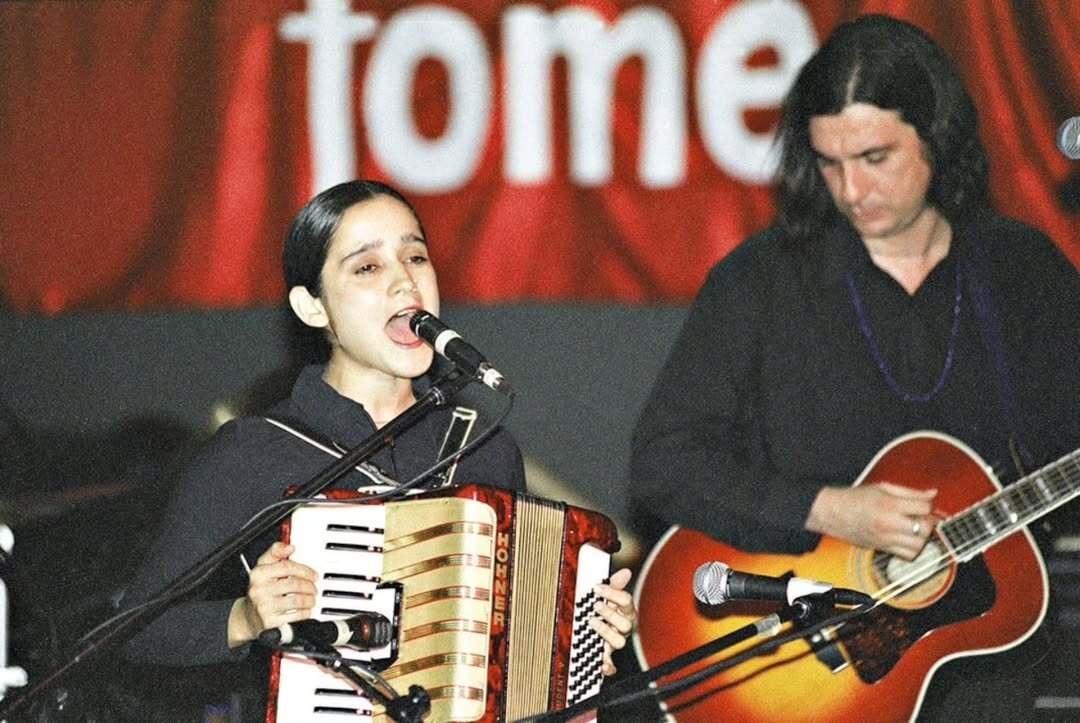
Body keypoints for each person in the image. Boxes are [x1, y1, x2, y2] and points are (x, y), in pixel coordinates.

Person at [630, 14, 1079, 721]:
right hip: (810, 668)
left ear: (937, 138)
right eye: (829, 163)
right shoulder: (761, 281)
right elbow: (664, 462)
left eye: (875, 158)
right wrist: (831, 509)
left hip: (984, 656)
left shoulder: (1022, 271)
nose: (851, 189)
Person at [122, 180, 636, 719]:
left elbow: (503, 659)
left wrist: (574, 644)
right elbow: (139, 631)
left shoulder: (482, 449)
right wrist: (246, 619)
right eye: (367, 267)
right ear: (312, 306)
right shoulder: (253, 451)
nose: (404, 280)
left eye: (416, 256)